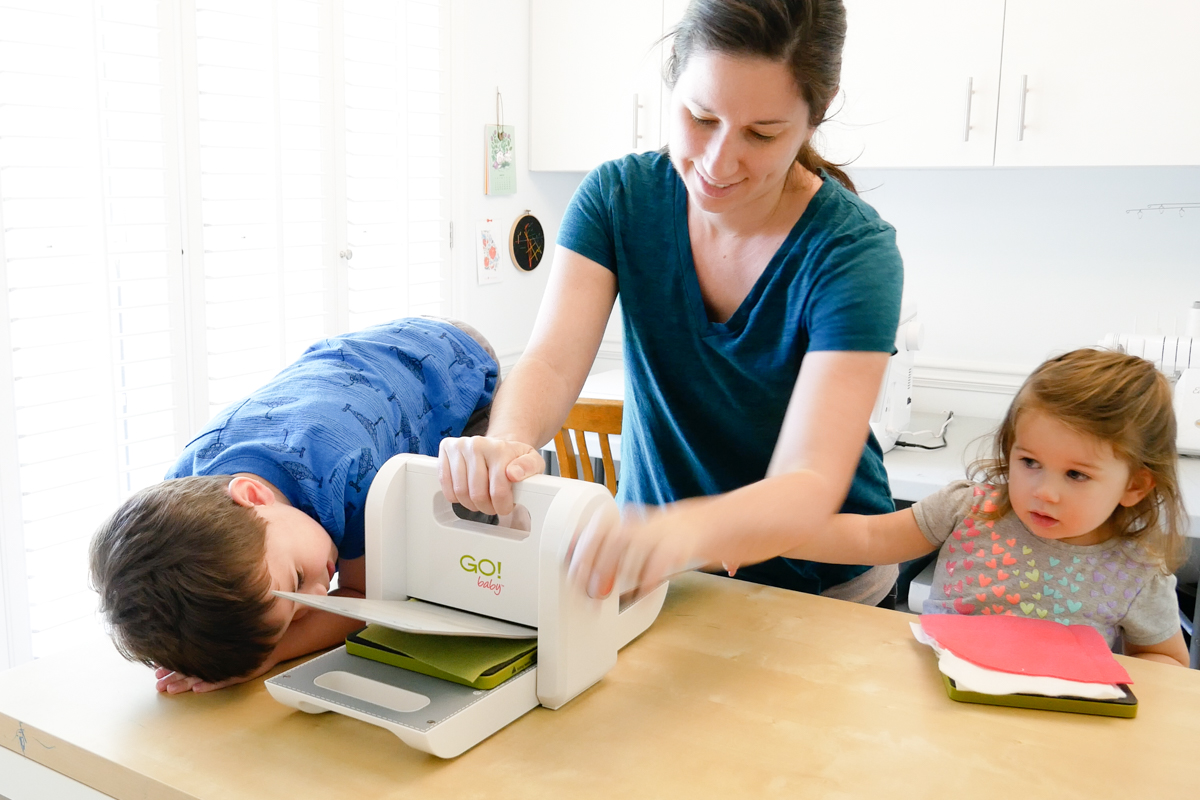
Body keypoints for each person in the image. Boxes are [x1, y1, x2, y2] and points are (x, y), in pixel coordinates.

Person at [439, 0, 905, 605]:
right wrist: (509, 442)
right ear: (673, 80)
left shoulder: (852, 253)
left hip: (824, 590)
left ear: (815, 117)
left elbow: (809, 482)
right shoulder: (618, 198)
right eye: (701, 117)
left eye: (762, 133)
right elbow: (552, 362)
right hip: (662, 578)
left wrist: (680, 531)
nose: (717, 162)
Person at [89, 317, 500, 693]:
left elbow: (367, 600)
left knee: (470, 520)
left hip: (456, 367)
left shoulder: (352, 475)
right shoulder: (186, 498)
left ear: (253, 496)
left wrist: (279, 650)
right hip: (350, 373)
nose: (321, 590)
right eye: (298, 611)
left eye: (298, 579)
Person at [779, 348, 1190, 667]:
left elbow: (1165, 658)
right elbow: (872, 537)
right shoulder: (969, 508)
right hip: (937, 702)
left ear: (1134, 486)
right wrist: (770, 536)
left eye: (1076, 475)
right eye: (1030, 463)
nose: (1044, 491)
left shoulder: (1138, 568)